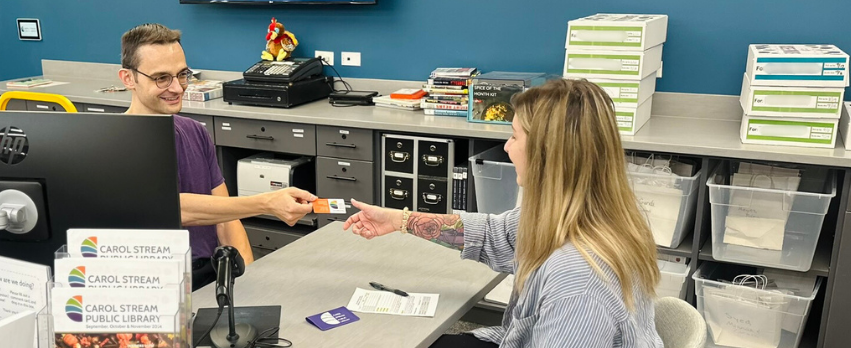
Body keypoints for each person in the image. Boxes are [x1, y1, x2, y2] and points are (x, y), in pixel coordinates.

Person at [343, 79, 663, 348]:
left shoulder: (577, 282)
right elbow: (493, 233)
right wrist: (401, 220)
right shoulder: (587, 214)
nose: (507, 148)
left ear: (547, 155)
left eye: (514, 136)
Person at [118, 23, 317, 289]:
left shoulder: (194, 132)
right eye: (161, 78)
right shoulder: (114, 146)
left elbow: (226, 218)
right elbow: (174, 208)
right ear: (128, 78)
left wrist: (250, 281)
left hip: (208, 272)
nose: (177, 88)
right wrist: (267, 202)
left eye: (182, 74)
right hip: (153, 284)